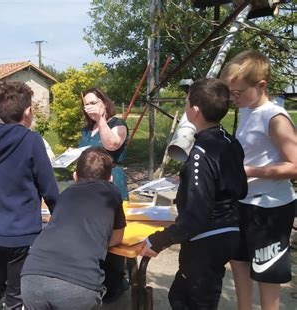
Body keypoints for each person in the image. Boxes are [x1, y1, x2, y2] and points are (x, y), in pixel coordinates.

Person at [139, 78, 248, 309]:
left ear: (195, 111)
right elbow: (240, 188)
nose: (186, 106)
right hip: (230, 231)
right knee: (183, 294)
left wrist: (158, 240)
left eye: (187, 102)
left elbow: (196, 217)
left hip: (206, 239)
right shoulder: (230, 141)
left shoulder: (200, 152)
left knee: (192, 300)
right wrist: (189, 179)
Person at [220, 50, 297, 310]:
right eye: (231, 93)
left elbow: (295, 166)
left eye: (238, 93)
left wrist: (248, 171)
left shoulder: (274, 117)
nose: (233, 98)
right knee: (239, 265)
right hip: (243, 203)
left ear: (261, 85)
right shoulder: (247, 111)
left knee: (267, 274)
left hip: (270, 209)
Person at [0, 81, 59, 309]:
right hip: (20, 231)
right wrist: (60, 216)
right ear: (28, 111)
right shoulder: (31, 139)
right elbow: (49, 187)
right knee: (17, 293)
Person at [21, 147, 126, 310]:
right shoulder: (111, 193)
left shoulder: (65, 194)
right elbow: (117, 238)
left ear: (75, 176)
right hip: (77, 283)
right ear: (110, 178)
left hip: (31, 275)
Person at [79, 87, 129, 302]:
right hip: (88, 186)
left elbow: (112, 144)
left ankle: (116, 284)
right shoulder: (86, 130)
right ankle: (96, 281)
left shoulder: (117, 124)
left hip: (111, 182)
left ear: (104, 102)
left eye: (93, 102)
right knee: (92, 233)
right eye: (86, 104)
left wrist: (101, 120)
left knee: (113, 236)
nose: (88, 106)